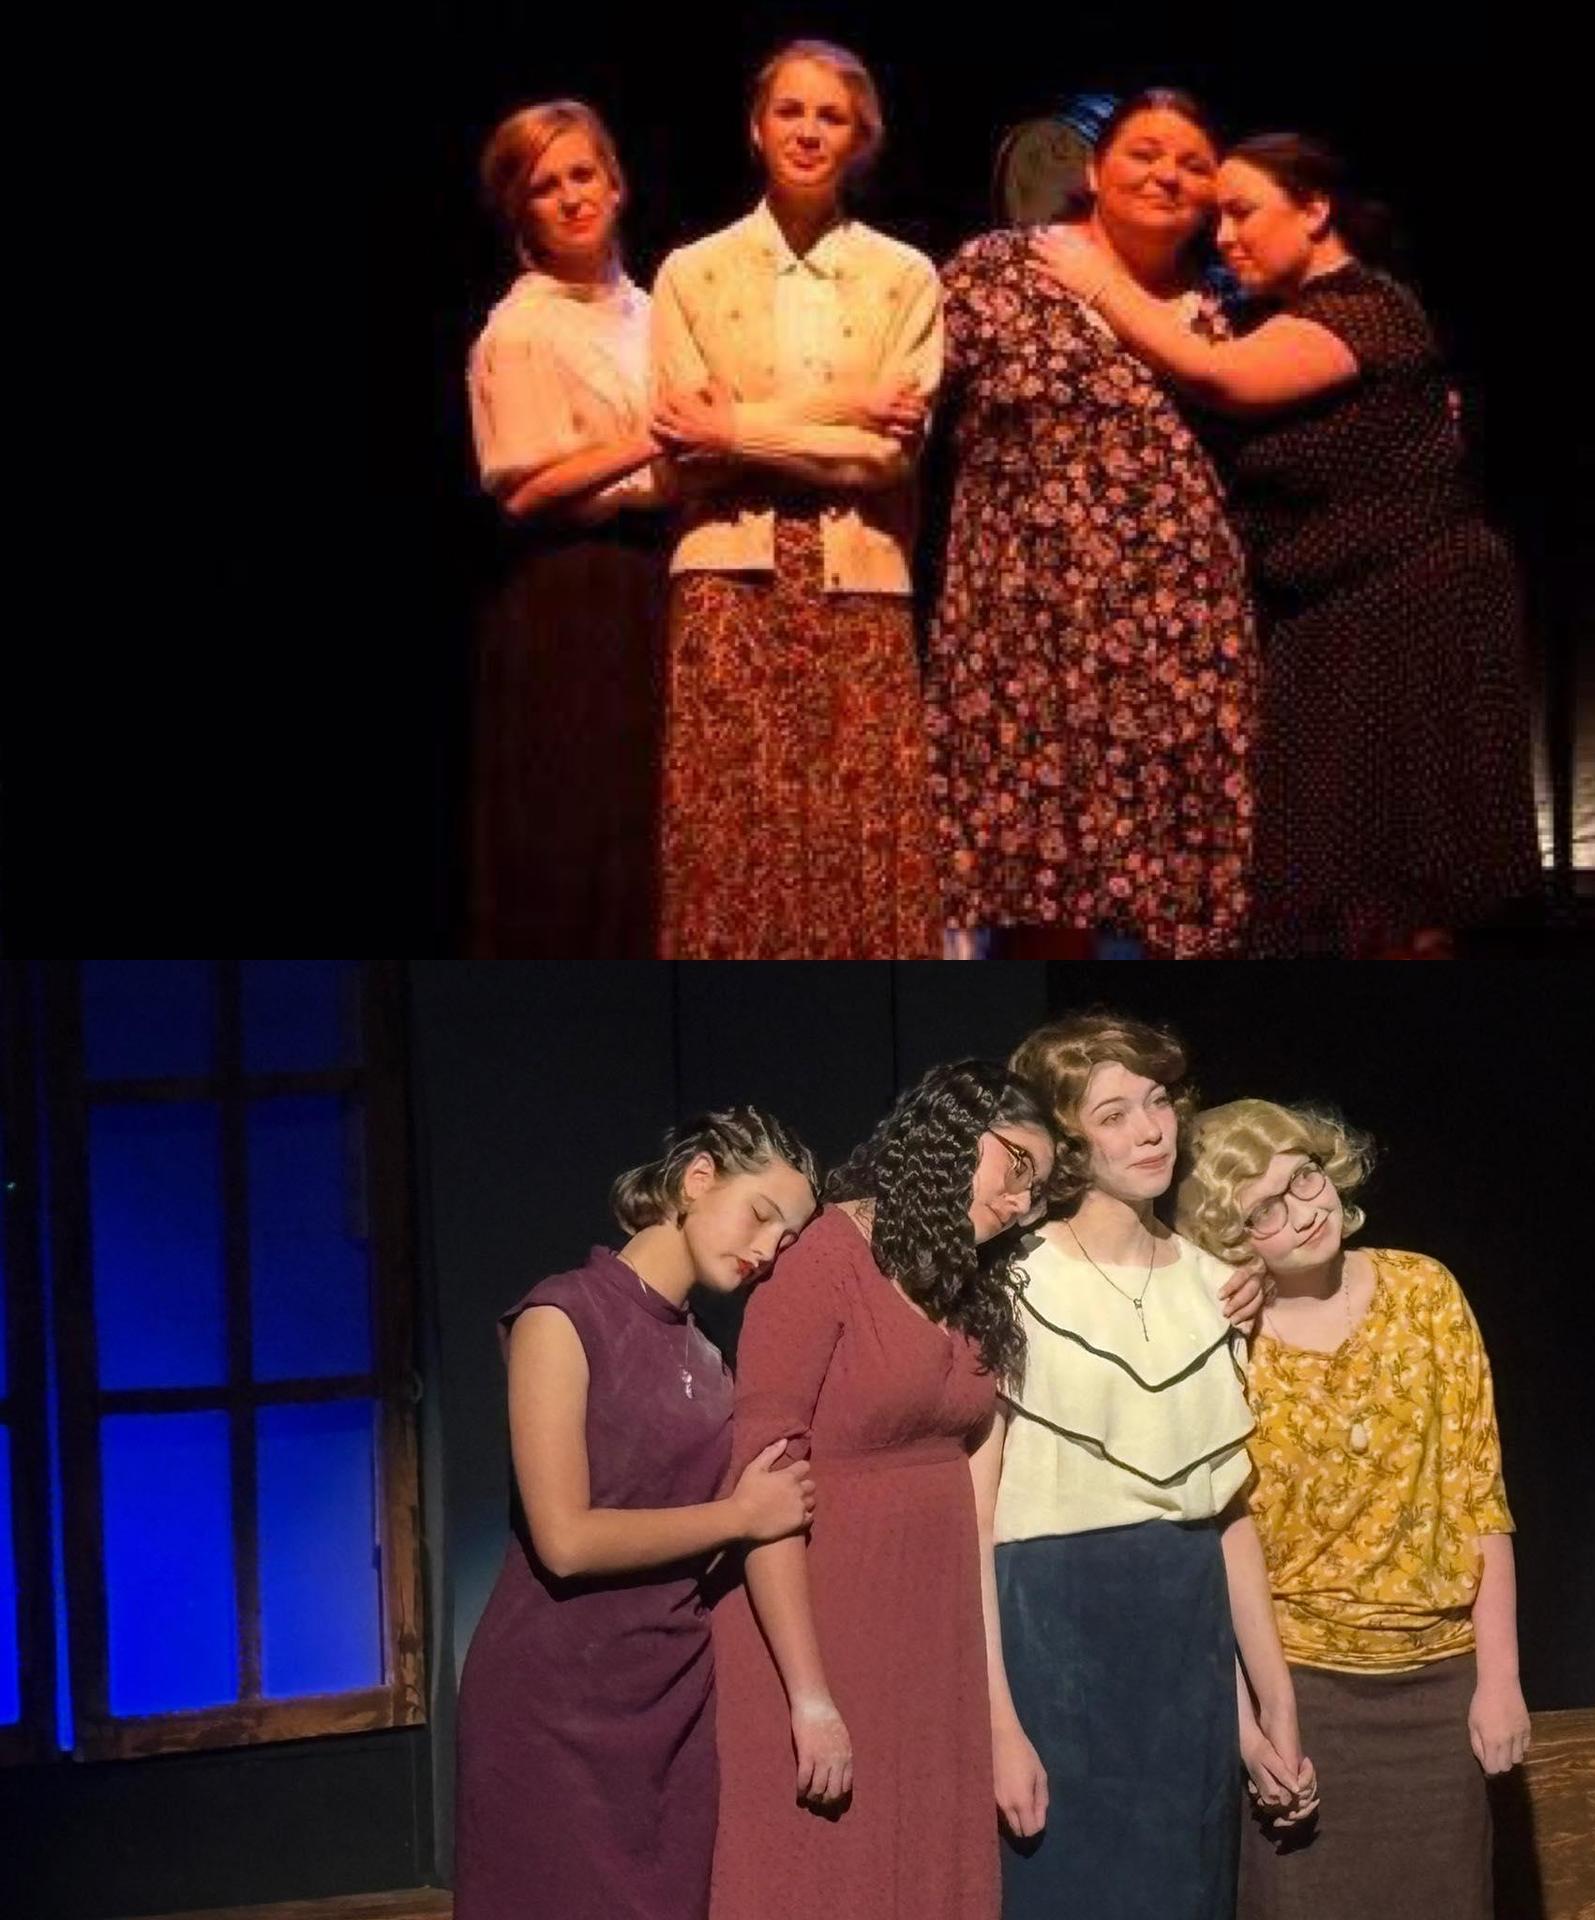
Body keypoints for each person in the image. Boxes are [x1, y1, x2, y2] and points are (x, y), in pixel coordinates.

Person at [1033, 133, 1539, 957]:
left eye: (1242, 212)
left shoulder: (1363, 306)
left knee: (1402, 876)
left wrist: (1098, 282)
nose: (1224, 237)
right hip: (1331, 617)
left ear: (1314, 210)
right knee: (1330, 876)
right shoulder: (1279, 319)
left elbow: (1220, 377)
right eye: (1217, 220)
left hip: (1411, 612)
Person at [974, 1013, 1313, 1919]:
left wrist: (1266, 1709)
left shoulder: (1214, 1285)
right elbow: (973, 1521)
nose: (1151, 1130)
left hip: (1184, 1653)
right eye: (1114, 1114)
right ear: (1068, 1140)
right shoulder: (1013, 1283)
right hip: (1054, 1639)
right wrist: (998, 1723)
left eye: (1158, 1102)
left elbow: (1222, 1517)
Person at [706, 1062, 1056, 1920]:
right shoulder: (823, 1260)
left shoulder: (969, 1291)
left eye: (1036, 1190)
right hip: (818, 1632)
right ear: (951, 1135)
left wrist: (997, 1716)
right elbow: (764, 1483)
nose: (1018, 1201)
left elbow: (977, 1520)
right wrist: (809, 1695)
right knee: (822, 1882)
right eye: (1014, 1165)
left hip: (931, 1652)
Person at [455, 1109, 820, 1920]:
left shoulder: (712, 1359)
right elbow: (566, 1539)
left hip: (670, 1695)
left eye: (788, 1239)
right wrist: (740, 1516)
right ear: (698, 1179)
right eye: (761, 1215)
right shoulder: (563, 1316)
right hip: (553, 1701)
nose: (768, 1250)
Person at [1176, 1098, 1529, 1920]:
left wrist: (1500, 1680)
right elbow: (1213, 1542)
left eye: (1304, 1179)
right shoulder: (1224, 1340)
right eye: (1263, 1211)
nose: (1302, 1212)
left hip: (1440, 1687)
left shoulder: (1425, 1291)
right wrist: (1254, 1725)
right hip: (1302, 1693)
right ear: (1231, 1238)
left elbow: (1481, 1493)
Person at [927, 91, 1258, 959]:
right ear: (1094, 170)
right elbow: (909, 399)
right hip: (1025, 624)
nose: (1168, 175)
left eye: (1192, 164)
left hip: (1182, 634)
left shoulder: (1232, 302)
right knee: (1039, 884)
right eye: (1145, 153)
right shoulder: (1002, 268)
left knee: (1178, 883)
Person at [649, 39, 943, 958]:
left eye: (831, 116)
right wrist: (844, 408)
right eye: (791, 111)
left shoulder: (905, 275)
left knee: (863, 830)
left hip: (862, 575)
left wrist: (739, 432)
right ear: (756, 126)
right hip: (726, 577)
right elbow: (685, 452)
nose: (809, 131)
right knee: (731, 830)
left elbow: (885, 458)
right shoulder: (691, 272)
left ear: (861, 138)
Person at [466, 99, 673, 956]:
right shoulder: (520, 330)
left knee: (655, 820)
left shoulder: (654, 308)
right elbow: (522, 489)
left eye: (583, 175)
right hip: (571, 592)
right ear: (521, 213)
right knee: (583, 824)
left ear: (616, 184)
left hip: (657, 573)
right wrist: (653, 438)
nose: (572, 197)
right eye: (545, 187)